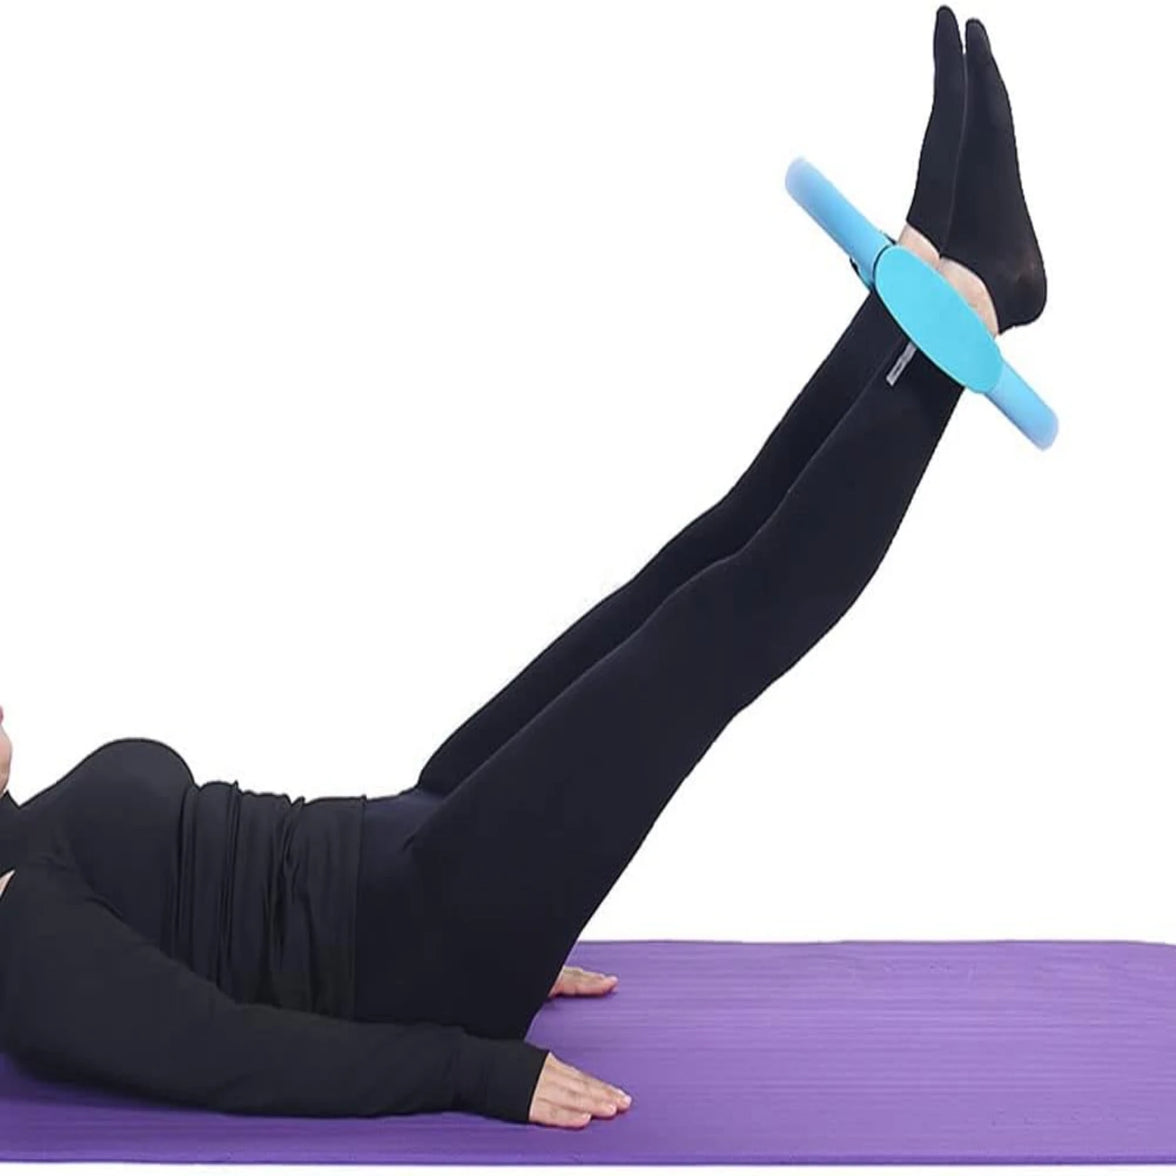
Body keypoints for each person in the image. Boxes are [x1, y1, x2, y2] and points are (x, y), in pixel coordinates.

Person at [0, 8, 1047, 1130]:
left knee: (690, 563)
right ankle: (952, 341)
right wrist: (472, 1067)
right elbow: (230, 1053)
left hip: (416, 839)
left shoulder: (37, 828)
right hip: (426, 942)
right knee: (715, 631)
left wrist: (519, 904)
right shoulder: (23, 938)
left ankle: (927, 271)